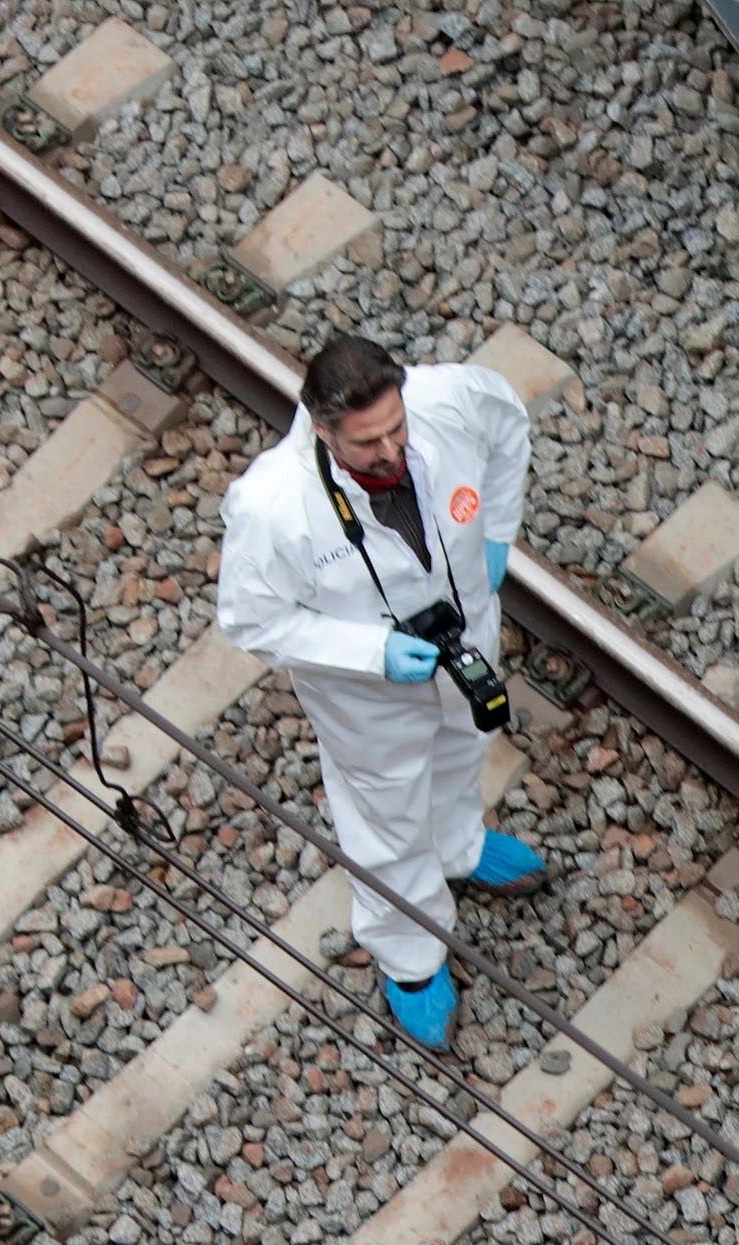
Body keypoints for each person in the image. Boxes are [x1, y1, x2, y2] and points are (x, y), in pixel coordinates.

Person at [214, 333, 544, 1048]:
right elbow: (249, 619)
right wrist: (371, 652)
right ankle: (411, 957)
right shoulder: (273, 507)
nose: (392, 450)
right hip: (369, 698)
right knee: (387, 821)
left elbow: (509, 425)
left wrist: (497, 536)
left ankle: (458, 848)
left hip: (465, 646)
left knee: (464, 751)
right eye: (368, 444)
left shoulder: (450, 400)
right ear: (323, 431)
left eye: (397, 428)